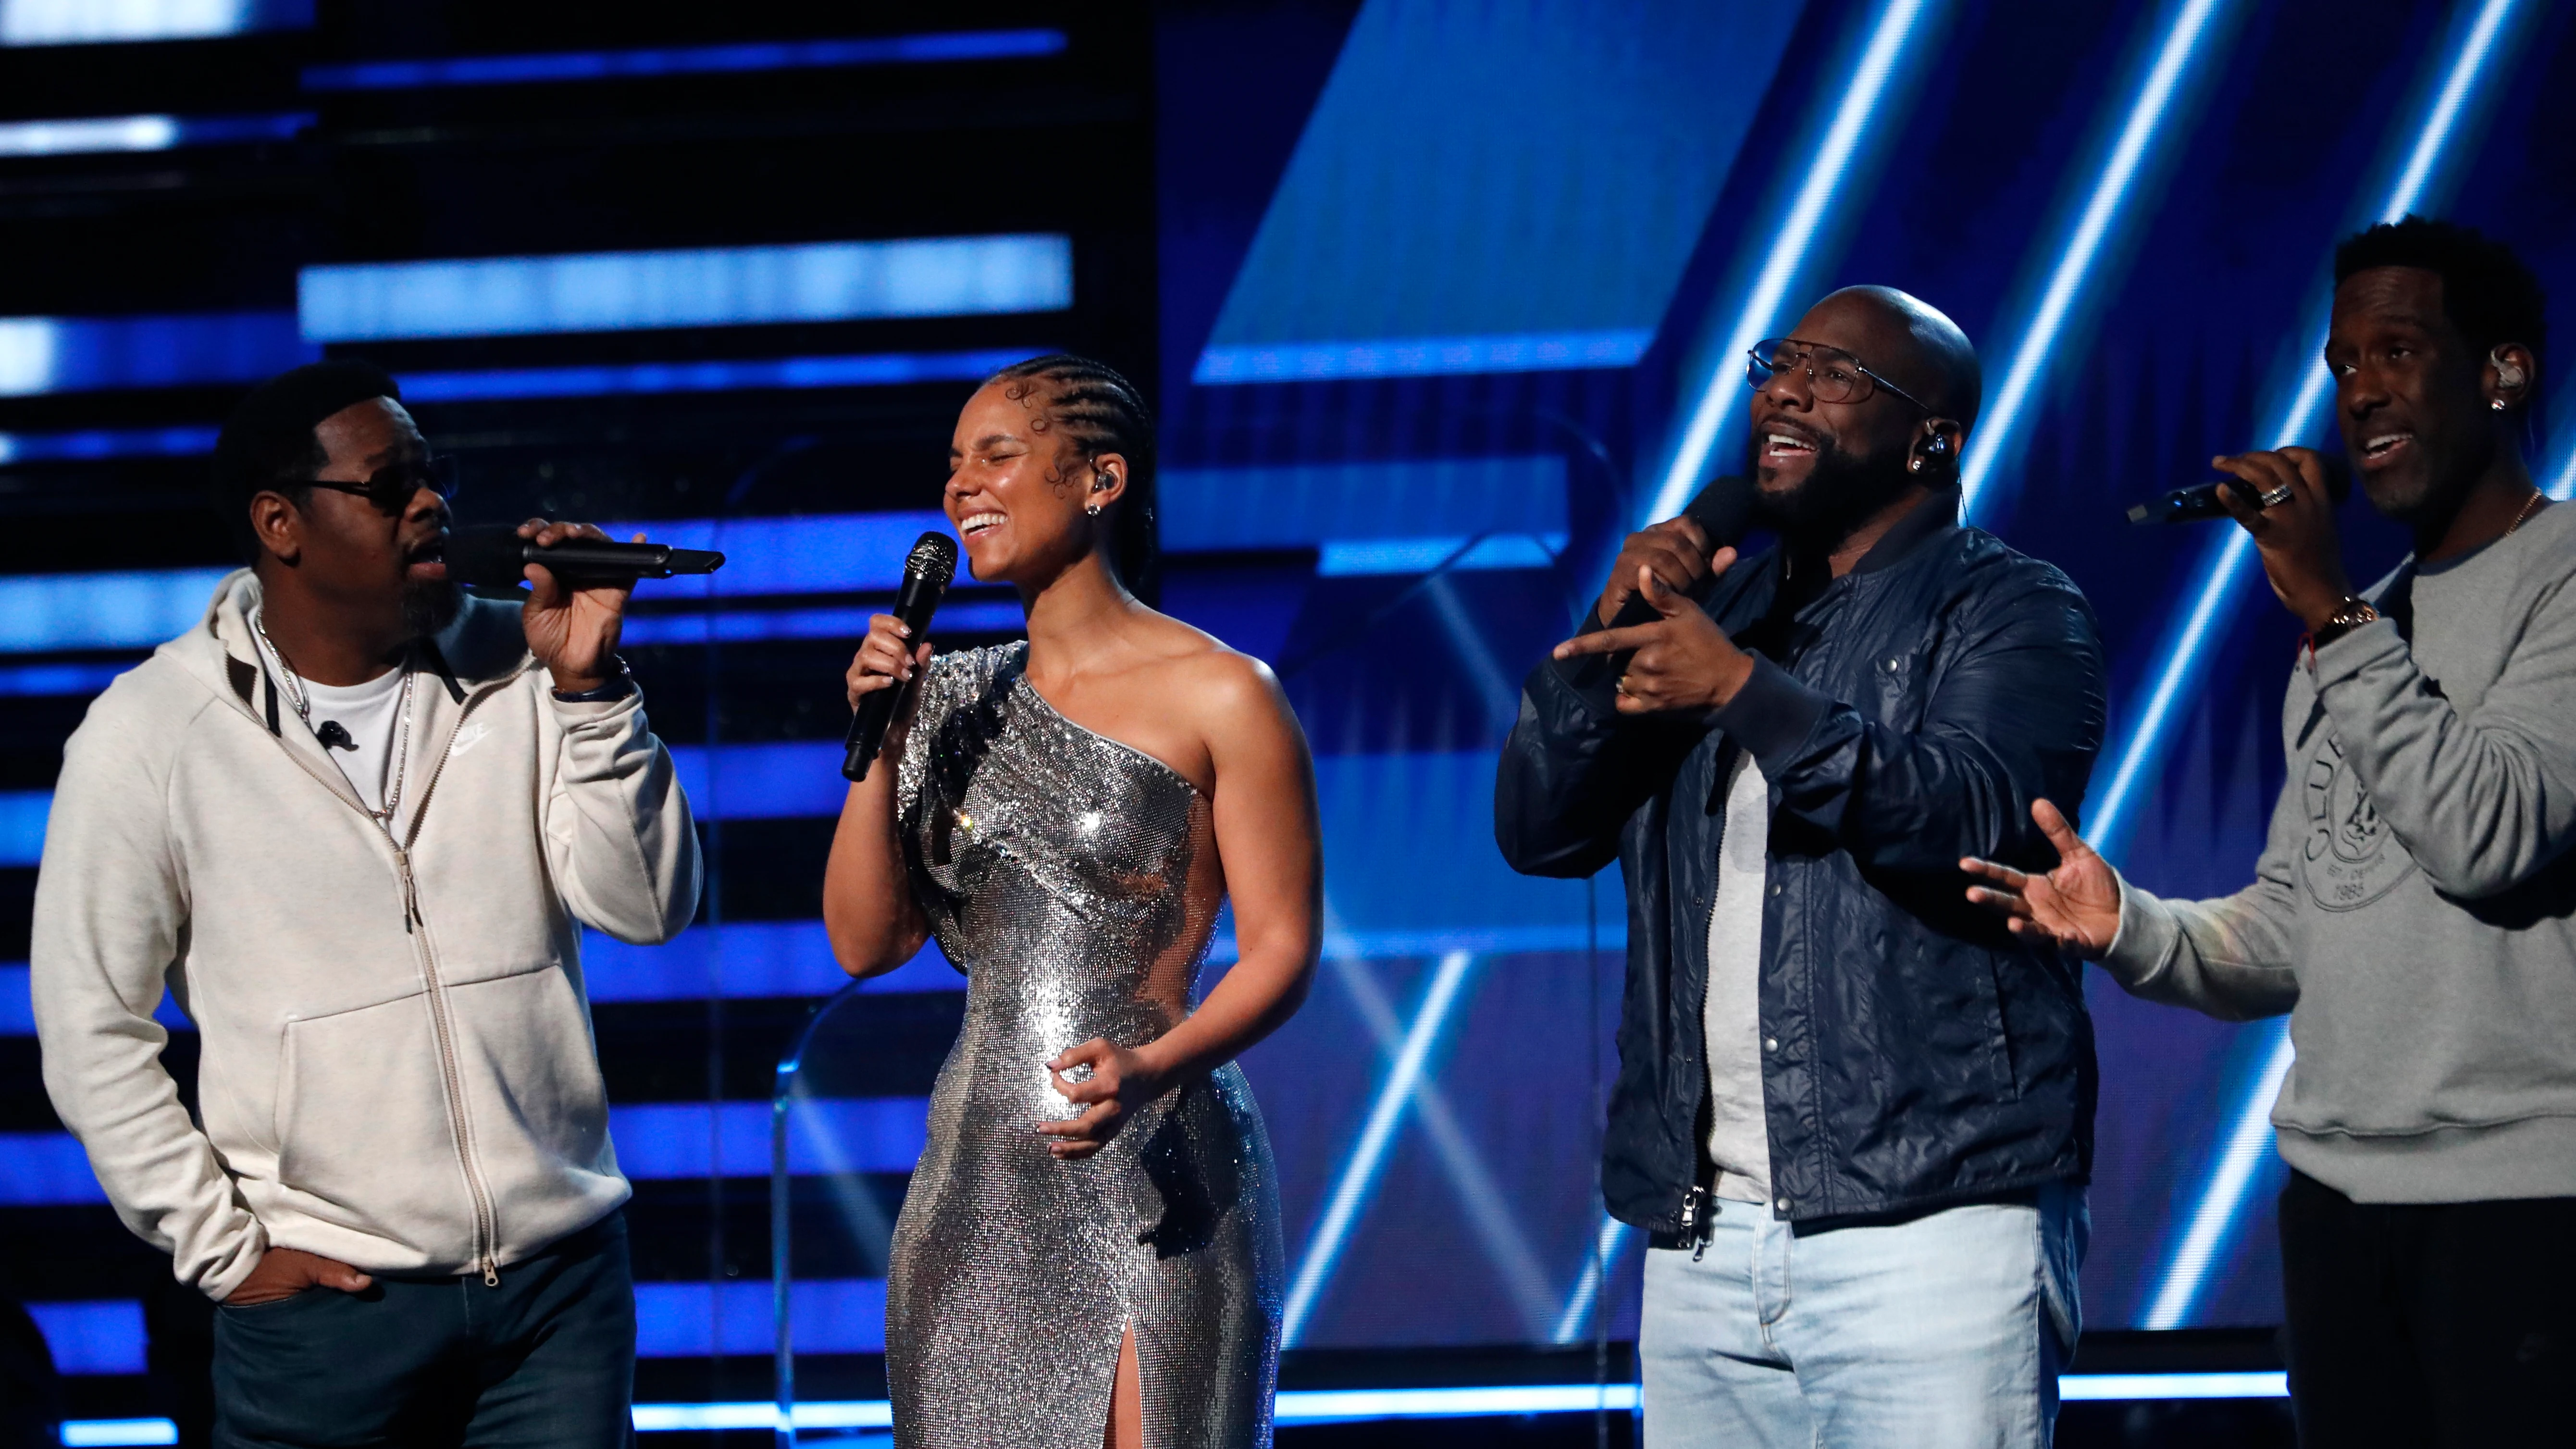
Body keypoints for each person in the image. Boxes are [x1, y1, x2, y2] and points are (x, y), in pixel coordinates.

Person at [1965, 217, 2575, 1446]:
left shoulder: (2549, 580)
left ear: (2501, 373)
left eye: (2397, 351)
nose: (2358, 392)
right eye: (2344, 363)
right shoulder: (2355, 636)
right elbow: (2306, 922)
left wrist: (2325, 609)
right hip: (2335, 1205)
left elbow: (2490, 832)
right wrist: (2128, 924)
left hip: (2525, 1203)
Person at [31, 360, 699, 1447]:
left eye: (433, 477)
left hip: (557, 1293)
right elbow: (88, 1024)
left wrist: (589, 690)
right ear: (280, 523)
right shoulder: (154, 733)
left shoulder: (524, 670)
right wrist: (226, 1248)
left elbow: (647, 908)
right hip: (331, 1310)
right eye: (389, 487)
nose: (431, 503)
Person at [1498, 287, 2107, 1447]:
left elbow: (1975, 818)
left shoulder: (2010, 604)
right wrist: (1610, 621)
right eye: (1778, 363)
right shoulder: (1718, 619)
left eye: (1834, 374)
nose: (1783, 388)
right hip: (1706, 1234)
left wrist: (1740, 691)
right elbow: (1541, 829)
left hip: (1931, 1214)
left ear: (1934, 435)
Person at [823, 355, 1320, 1449]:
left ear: (1100, 478)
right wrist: (884, 746)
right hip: (978, 1174)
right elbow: (865, 942)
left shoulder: (1221, 691)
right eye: (953, 465)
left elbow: (1283, 948)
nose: (963, 488)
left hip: (1152, 1154)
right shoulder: (948, 698)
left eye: (996, 455)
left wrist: (1155, 1064)